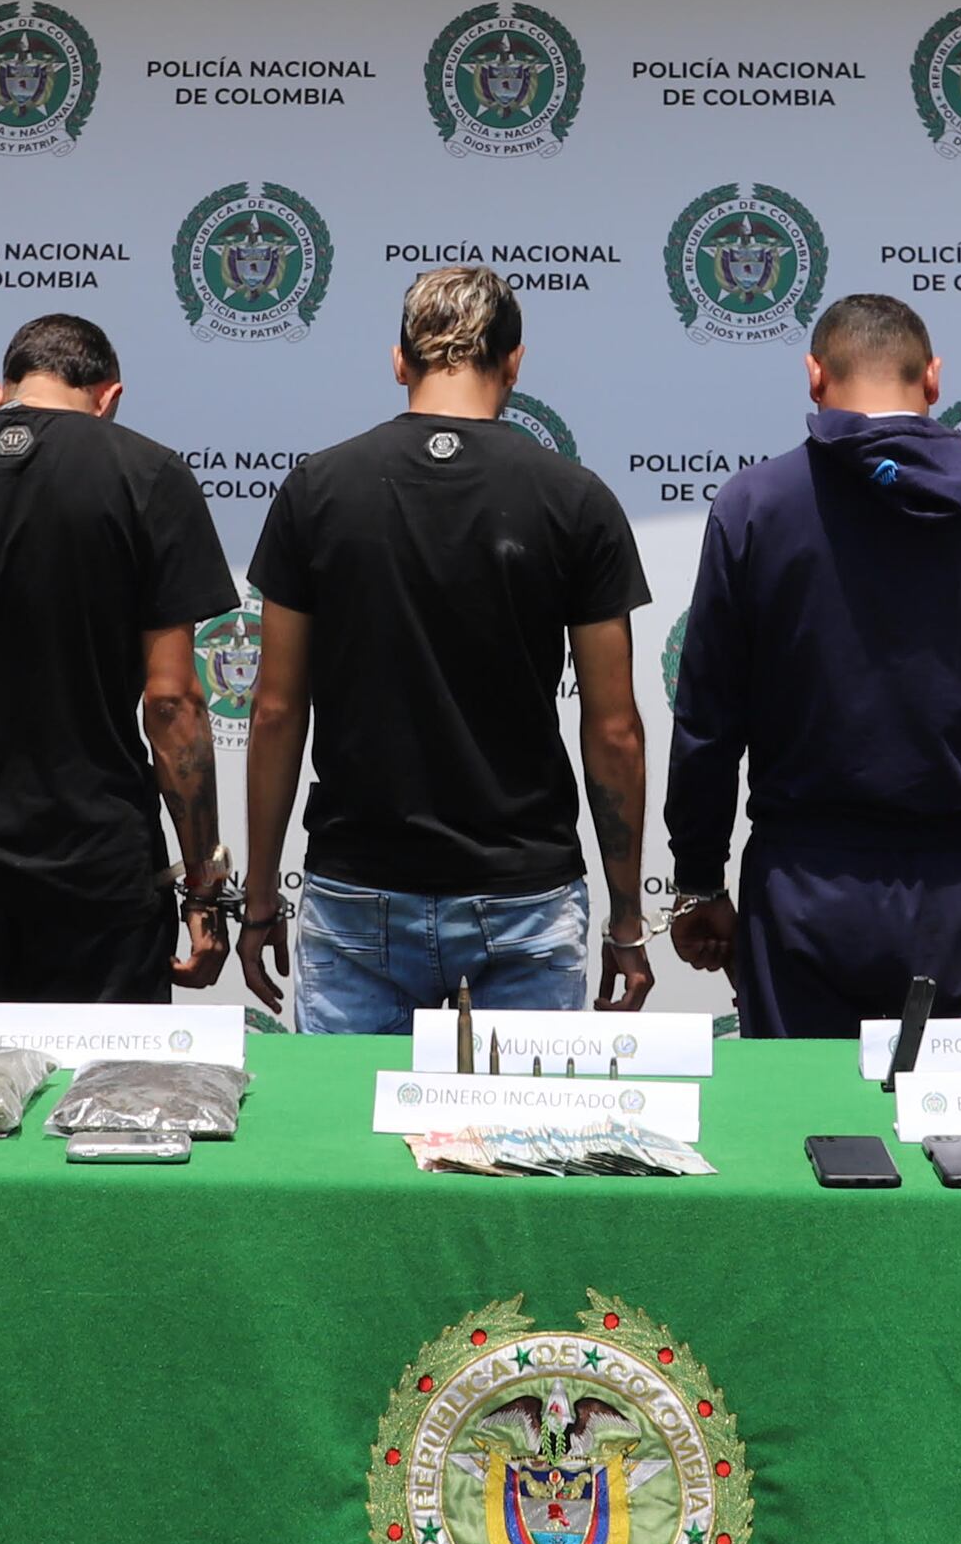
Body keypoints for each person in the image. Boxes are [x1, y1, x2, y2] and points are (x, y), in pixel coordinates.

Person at [662, 292, 961, 1035]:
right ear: (934, 378)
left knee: (808, 1142)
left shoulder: (753, 504)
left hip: (805, 896)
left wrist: (696, 878)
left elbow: (708, 721)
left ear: (815, 376)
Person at [235, 265, 654, 1030]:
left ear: (400, 361)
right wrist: (626, 917)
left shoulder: (317, 490)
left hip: (358, 889)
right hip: (524, 892)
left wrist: (260, 898)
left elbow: (273, 710)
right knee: (523, 1149)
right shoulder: (575, 498)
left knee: (346, 1150)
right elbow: (615, 729)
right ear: (516, 362)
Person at [0, 313, 240, 1019]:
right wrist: (203, 885)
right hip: (101, 875)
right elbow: (174, 701)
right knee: (99, 1121)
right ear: (109, 397)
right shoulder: (150, 474)